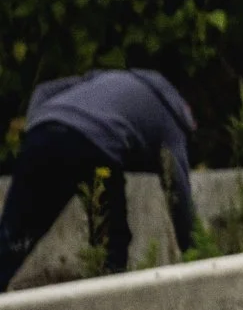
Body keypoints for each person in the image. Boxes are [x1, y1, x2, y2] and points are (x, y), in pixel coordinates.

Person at [0, 69, 196, 290]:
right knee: (111, 243)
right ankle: (110, 308)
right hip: (95, 147)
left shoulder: (110, 78)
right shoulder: (173, 121)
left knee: (13, 237)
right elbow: (178, 192)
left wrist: (37, 127)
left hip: (42, 135)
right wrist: (196, 256)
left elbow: (44, 90)